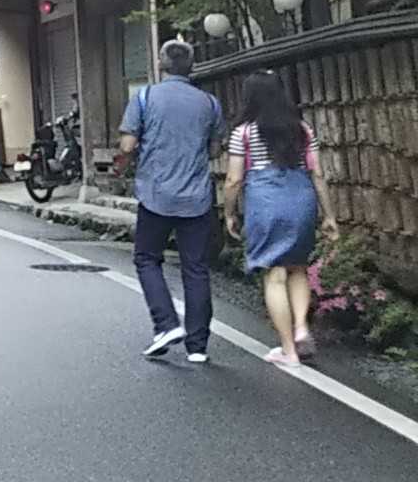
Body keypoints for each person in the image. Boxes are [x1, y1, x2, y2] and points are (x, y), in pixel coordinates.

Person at [223, 71, 339, 368]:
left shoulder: (243, 133)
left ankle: (289, 350)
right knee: (298, 267)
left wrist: (229, 213)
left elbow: (234, 179)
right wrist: (328, 215)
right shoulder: (302, 130)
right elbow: (317, 174)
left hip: (266, 203)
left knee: (274, 273)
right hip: (302, 199)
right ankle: (301, 327)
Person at [120, 39, 225, 363]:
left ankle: (166, 324)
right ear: (191, 67)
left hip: (156, 194)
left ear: (160, 64)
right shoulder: (209, 103)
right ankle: (198, 346)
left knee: (147, 259)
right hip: (196, 197)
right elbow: (215, 149)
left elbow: (127, 145)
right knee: (196, 268)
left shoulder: (144, 97)